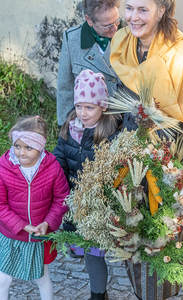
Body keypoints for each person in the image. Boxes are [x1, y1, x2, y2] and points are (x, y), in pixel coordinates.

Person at [110, 0, 183, 272]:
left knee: (171, 232)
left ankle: (177, 284)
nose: (133, 17)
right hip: (134, 148)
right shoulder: (122, 42)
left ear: (162, 10)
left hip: (173, 152)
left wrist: (157, 155)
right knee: (136, 229)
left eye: (143, 9)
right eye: (129, 7)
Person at [53, 69, 120, 300]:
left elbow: (114, 171)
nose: (83, 113)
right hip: (73, 202)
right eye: (79, 106)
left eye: (89, 107)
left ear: (103, 106)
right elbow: (58, 159)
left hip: (97, 207)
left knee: (94, 253)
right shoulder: (70, 128)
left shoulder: (109, 132)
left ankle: (98, 294)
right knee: (78, 245)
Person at [0, 116, 69, 300]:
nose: (21, 153)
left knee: (42, 277)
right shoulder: (4, 167)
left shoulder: (52, 168)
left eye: (28, 147)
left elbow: (62, 198)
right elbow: (0, 206)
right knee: (3, 279)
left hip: (39, 235)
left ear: (40, 147)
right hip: (11, 235)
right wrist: (22, 225)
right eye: (17, 146)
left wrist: (48, 223)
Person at [56, 0, 122, 127]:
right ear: (89, 20)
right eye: (107, 25)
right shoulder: (72, 39)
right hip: (87, 125)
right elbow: (65, 89)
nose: (115, 28)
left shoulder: (130, 36)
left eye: (117, 20)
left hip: (120, 124)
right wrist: (65, 128)